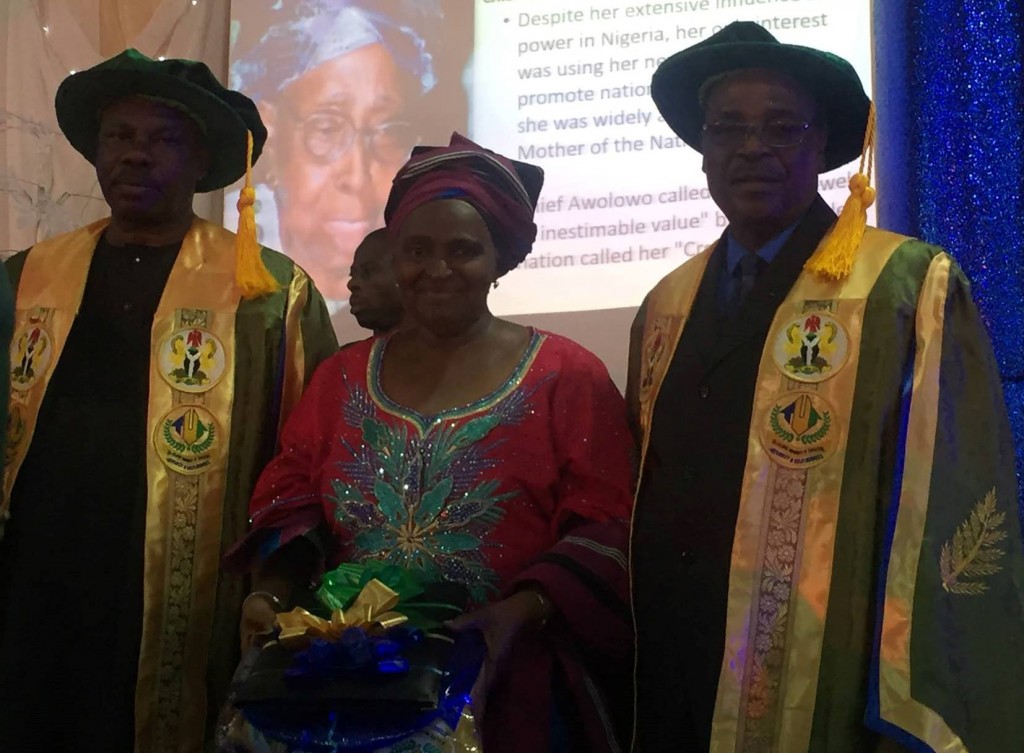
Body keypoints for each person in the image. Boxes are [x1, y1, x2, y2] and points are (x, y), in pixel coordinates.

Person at [627, 22, 1024, 753]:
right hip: (673, 672)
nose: (752, 148)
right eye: (729, 128)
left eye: (781, 128)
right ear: (704, 150)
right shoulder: (666, 305)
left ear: (821, 146)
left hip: (832, 689)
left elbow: (951, 501)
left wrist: (901, 703)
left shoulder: (904, 287)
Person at [225, 133, 635, 753]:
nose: (437, 269)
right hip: (340, 692)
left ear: (500, 259)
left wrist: (515, 615)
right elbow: (295, 504)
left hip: (507, 688)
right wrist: (268, 595)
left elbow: (607, 526)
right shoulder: (340, 377)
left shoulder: (566, 375)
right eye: (417, 250)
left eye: (463, 250)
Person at [0, 49, 338, 753]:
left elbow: (311, 460)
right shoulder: (26, 279)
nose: (136, 156)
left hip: (192, 585)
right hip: (41, 570)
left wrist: (278, 584)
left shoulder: (269, 294)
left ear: (201, 160)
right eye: (120, 137)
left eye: (164, 140)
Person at [228, 0, 445, 308]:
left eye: (387, 130)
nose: (357, 177)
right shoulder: (215, 258)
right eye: (327, 129)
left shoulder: (432, 273)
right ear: (271, 134)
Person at [347, 227, 404, 335]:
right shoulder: (350, 352)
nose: (351, 284)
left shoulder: (443, 351)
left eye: (368, 272)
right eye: (352, 275)